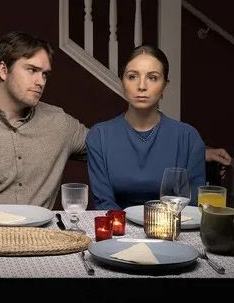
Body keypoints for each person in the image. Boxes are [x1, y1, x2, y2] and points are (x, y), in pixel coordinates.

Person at [0, 31, 232, 211]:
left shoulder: (58, 122)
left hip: (44, 242)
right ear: (3, 70)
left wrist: (196, 151)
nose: (41, 81)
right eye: (32, 70)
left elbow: (111, 146)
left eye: (45, 74)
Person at [86, 45, 206, 209]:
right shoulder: (99, 136)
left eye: (153, 77)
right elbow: (104, 203)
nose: (141, 86)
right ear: (122, 81)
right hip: (118, 231)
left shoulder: (189, 138)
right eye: (133, 76)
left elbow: (192, 205)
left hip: (172, 230)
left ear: (165, 85)